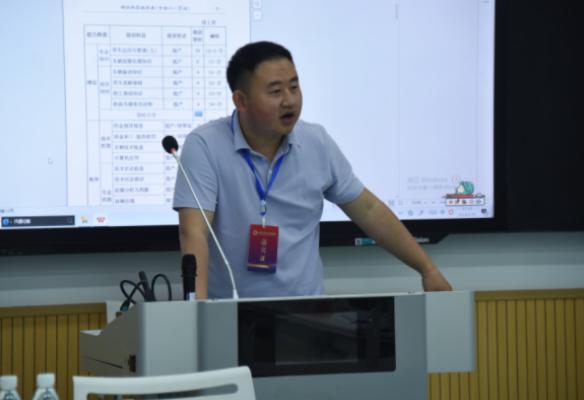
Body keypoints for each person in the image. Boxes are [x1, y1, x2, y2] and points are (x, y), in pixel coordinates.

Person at [173, 41, 452, 299]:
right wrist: (198, 314)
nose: (290, 101)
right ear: (241, 101)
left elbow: (368, 210)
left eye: (294, 87)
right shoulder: (205, 145)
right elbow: (193, 233)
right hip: (230, 313)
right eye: (275, 91)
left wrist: (427, 268)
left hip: (307, 314)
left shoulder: (316, 142)